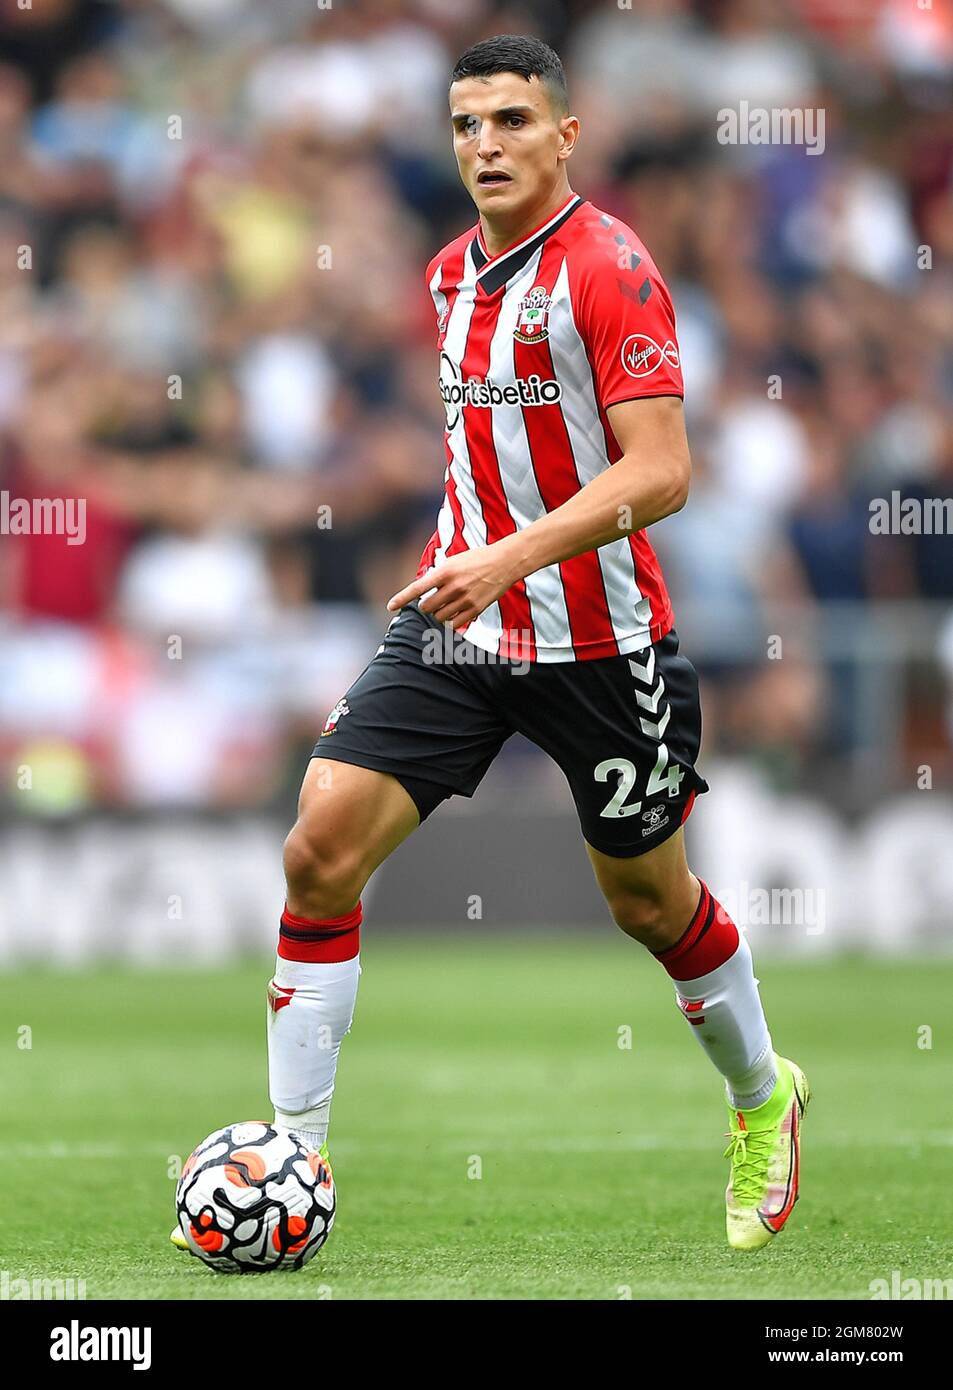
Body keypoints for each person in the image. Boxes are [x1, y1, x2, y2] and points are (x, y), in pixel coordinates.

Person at [176, 34, 808, 1257]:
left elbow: (664, 470)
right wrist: (460, 555)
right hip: (461, 627)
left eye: (513, 121)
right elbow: (494, 454)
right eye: (466, 125)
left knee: (645, 899)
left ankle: (759, 1094)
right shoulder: (446, 279)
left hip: (600, 639)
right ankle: (293, 1153)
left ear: (566, 135)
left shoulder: (612, 269)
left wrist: (508, 555)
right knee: (317, 849)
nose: (485, 145)